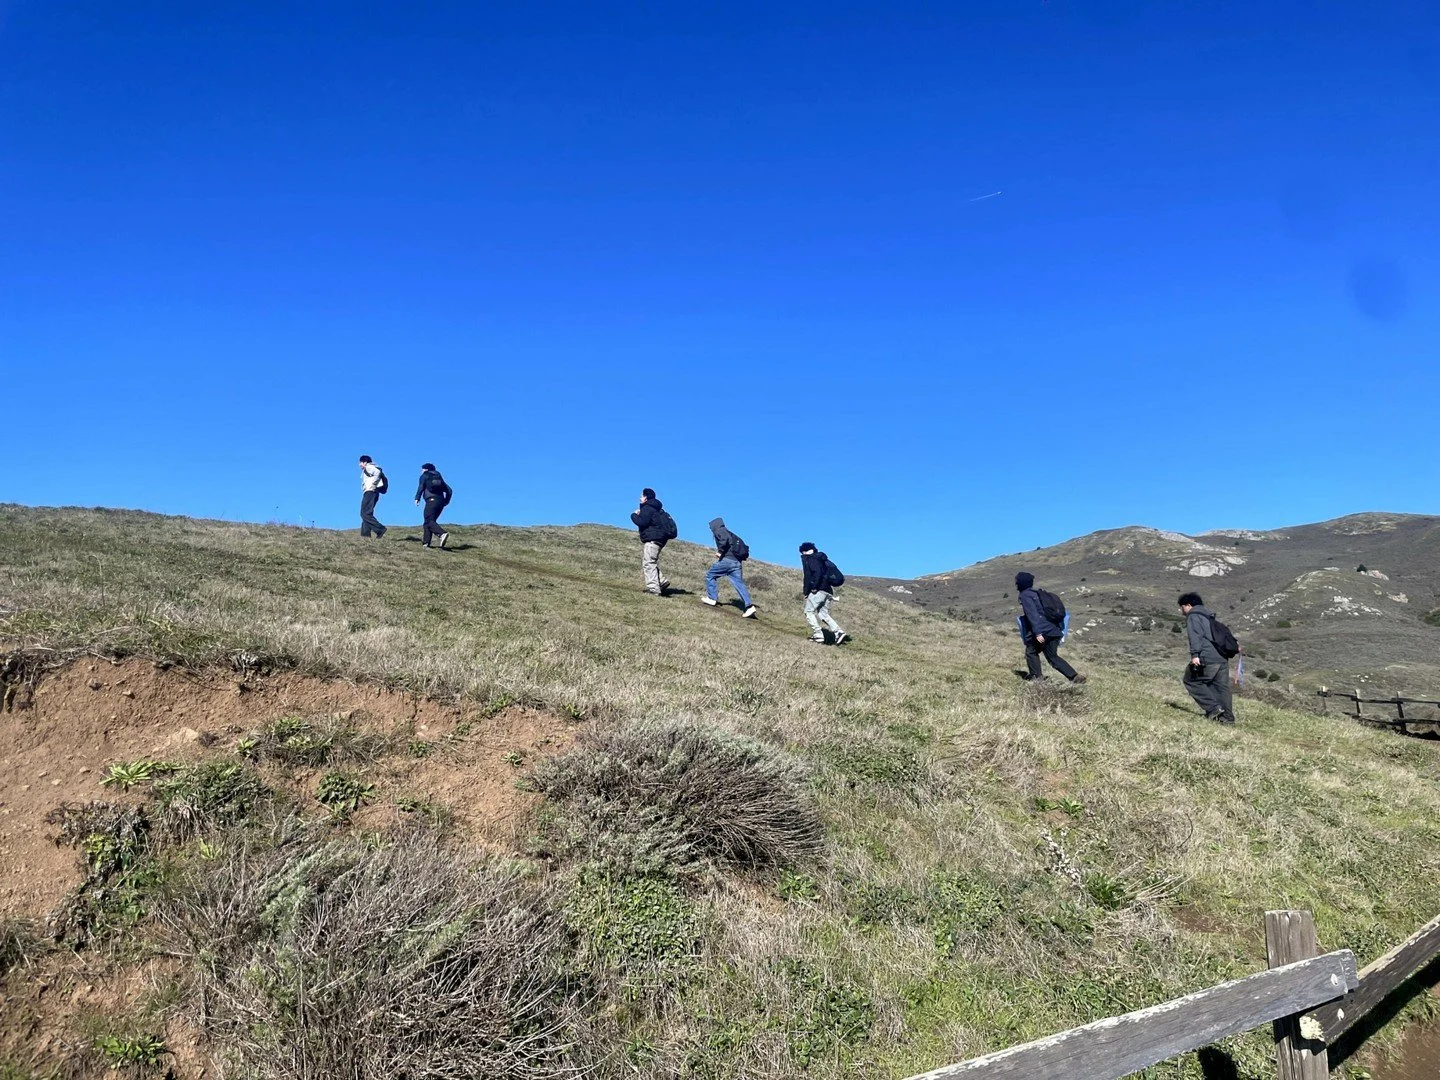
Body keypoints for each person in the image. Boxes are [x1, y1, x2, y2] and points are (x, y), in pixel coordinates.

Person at [1015, 572, 1086, 684]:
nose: (1016, 584)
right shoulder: (1037, 594)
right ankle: (1074, 676)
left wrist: (1038, 633)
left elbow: (1032, 614)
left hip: (1043, 631)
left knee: (1031, 652)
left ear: (1021, 583)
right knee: (1052, 657)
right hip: (1054, 631)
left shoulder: (1025, 595)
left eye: (1017, 582)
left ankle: (1036, 677)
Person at [1179, 592, 1236, 724]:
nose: (1181, 610)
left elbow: (1196, 637)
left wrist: (1195, 655)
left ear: (1188, 605)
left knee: (1191, 681)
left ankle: (1213, 708)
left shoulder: (1193, 616)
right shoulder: (1209, 616)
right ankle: (1227, 718)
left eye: (1181, 607)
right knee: (1221, 687)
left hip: (1207, 656)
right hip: (1222, 657)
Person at [703, 517, 757, 617]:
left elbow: (724, 540)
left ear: (715, 525)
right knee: (739, 584)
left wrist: (720, 552)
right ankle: (749, 607)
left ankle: (712, 598)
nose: (711, 530)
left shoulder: (720, 530)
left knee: (710, 575)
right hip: (737, 563)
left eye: (711, 528)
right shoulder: (728, 532)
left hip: (728, 561)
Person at [799, 542, 846, 644]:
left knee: (809, 611)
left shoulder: (811, 559)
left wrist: (811, 588)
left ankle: (818, 634)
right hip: (827, 590)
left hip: (818, 590)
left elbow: (814, 574)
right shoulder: (820, 558)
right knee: (823, 614)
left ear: (804, 551)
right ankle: (838, 632)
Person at [630, 488, 673, 596]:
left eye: (641, 496)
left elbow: (642, 522)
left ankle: (654, 589)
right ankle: (662, 582)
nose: (640, 498)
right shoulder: (656, 509)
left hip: (652, 540)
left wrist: (634, 515)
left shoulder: (648, 508)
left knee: (648, 563)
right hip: (660, 540)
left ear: (646, 497)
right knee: (650, 561)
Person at [413, 463, 452, 549]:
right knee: (429, 521)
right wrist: (446, 502)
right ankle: (426, 543)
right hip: (440, 502)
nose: (421, 471)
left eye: (422, 469)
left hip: (431, 501)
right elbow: (449, 490)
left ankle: (442, 534)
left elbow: (421, 487)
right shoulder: (439, 478)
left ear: (426, 469)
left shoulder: (425, 475)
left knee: (429, 520)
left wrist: (417, 498)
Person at [358, 455, 387, 539]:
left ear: (365, 462)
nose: (359, 465)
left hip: (370, 492)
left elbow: (377, 473)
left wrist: (372, 485)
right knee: (367, 513)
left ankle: (380, 529)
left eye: (360, 462)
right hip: (373, 492)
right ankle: (365, 535)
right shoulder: (371, 467)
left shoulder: (369, 467)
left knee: (364, 513)